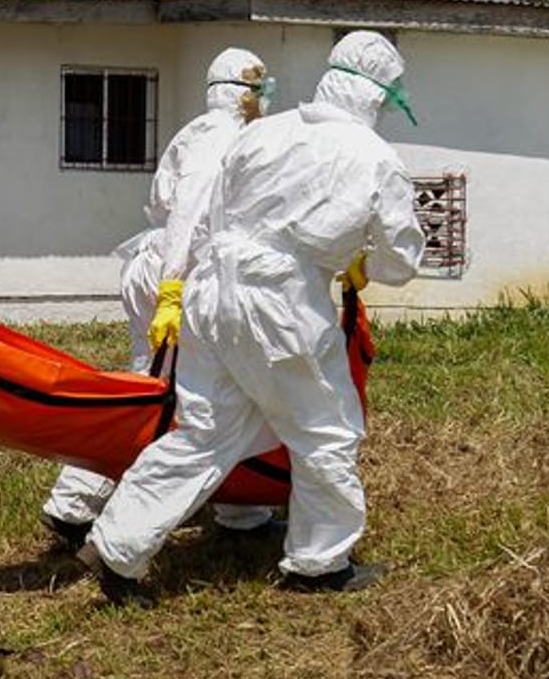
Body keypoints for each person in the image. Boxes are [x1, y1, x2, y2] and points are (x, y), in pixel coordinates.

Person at [75, 31, 427, 607]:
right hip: (281, 300)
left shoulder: (264, 131)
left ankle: (118, 549)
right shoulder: (374, 156)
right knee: (326, 430)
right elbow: (400, 261)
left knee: (202, 432)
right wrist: (361, 261)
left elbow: (213, 216)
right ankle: (319, 564)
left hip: (212, 291)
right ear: (378, 95)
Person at [42, 48, 279, 550]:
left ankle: (242, 508)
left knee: (194, 387)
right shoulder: (222, 136)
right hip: (181, 271)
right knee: (166, 393)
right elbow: (189, 211)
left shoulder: (200, 130)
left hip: (173, 268)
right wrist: (174, 286)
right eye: (260, 88)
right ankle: (76, 503)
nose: (266, 98)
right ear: (243, 91)